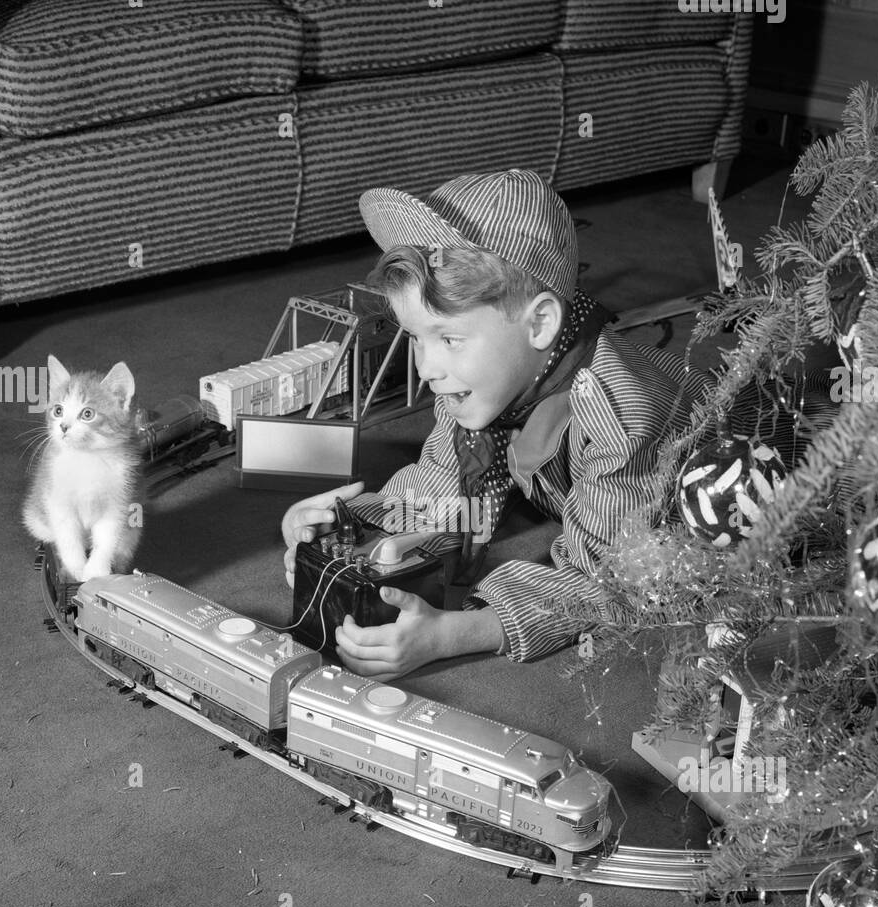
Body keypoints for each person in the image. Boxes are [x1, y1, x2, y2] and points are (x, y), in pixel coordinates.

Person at [280, 169, 712, 679]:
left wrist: (454, 633)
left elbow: (612, 582)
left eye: (449, 338)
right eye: (417, 338)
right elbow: (441, 497)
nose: (427, 368)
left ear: (540, 324)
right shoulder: (475, 386)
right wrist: (345, 526)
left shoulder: (622, 418)